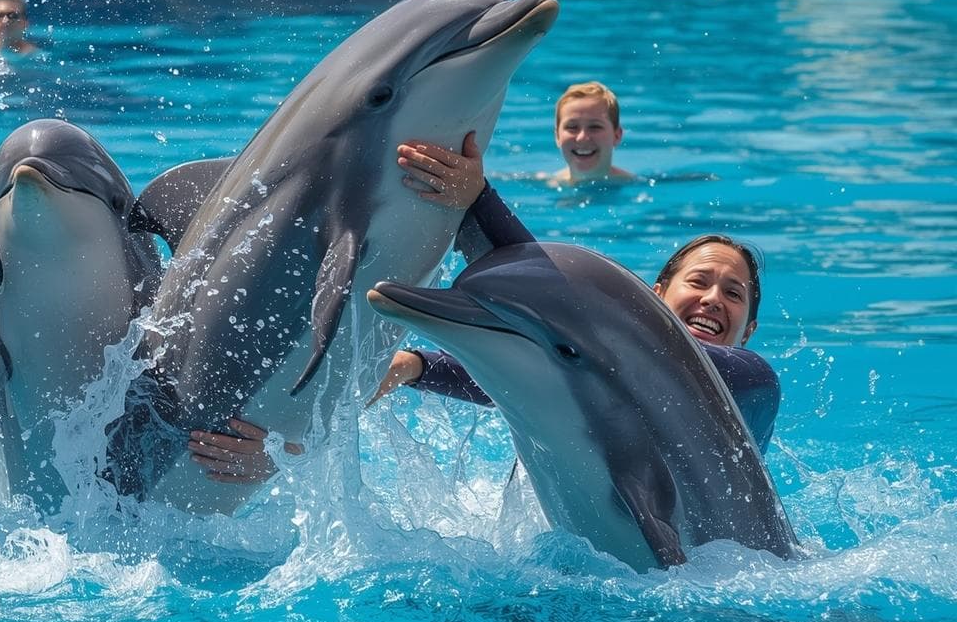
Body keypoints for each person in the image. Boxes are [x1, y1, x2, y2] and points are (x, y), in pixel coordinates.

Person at [189, 132, 780, 481]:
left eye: (733, 294)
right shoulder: (595, 367)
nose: (712, 299)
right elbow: (554, 359)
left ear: (748, 329)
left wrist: (482, 204)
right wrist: (290, 457)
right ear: (657, 296)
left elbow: (601, 341)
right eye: (699, 282)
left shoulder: (751, 382)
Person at [544, 81, 633, 187]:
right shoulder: (546, 185)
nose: (582, 138)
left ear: (617, 136)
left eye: (595, 127)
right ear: (557, 136)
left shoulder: (635, 186)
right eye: (572, 127)